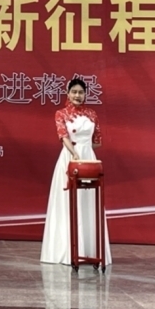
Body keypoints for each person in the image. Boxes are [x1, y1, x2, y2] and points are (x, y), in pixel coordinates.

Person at [41, 78, 112, 265]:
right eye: (74, 92)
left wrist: (85, 148)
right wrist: (74, 152)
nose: (77, 95)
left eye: (81, 92)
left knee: (88, 201)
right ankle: (67, 250)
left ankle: (90, 250)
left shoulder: (92, 114)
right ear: (68, 93)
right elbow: (63, 136)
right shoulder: (61, 113)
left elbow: (97, 140)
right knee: (69, 202)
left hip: (88, 158)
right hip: (70, 158)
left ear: (85, 94)